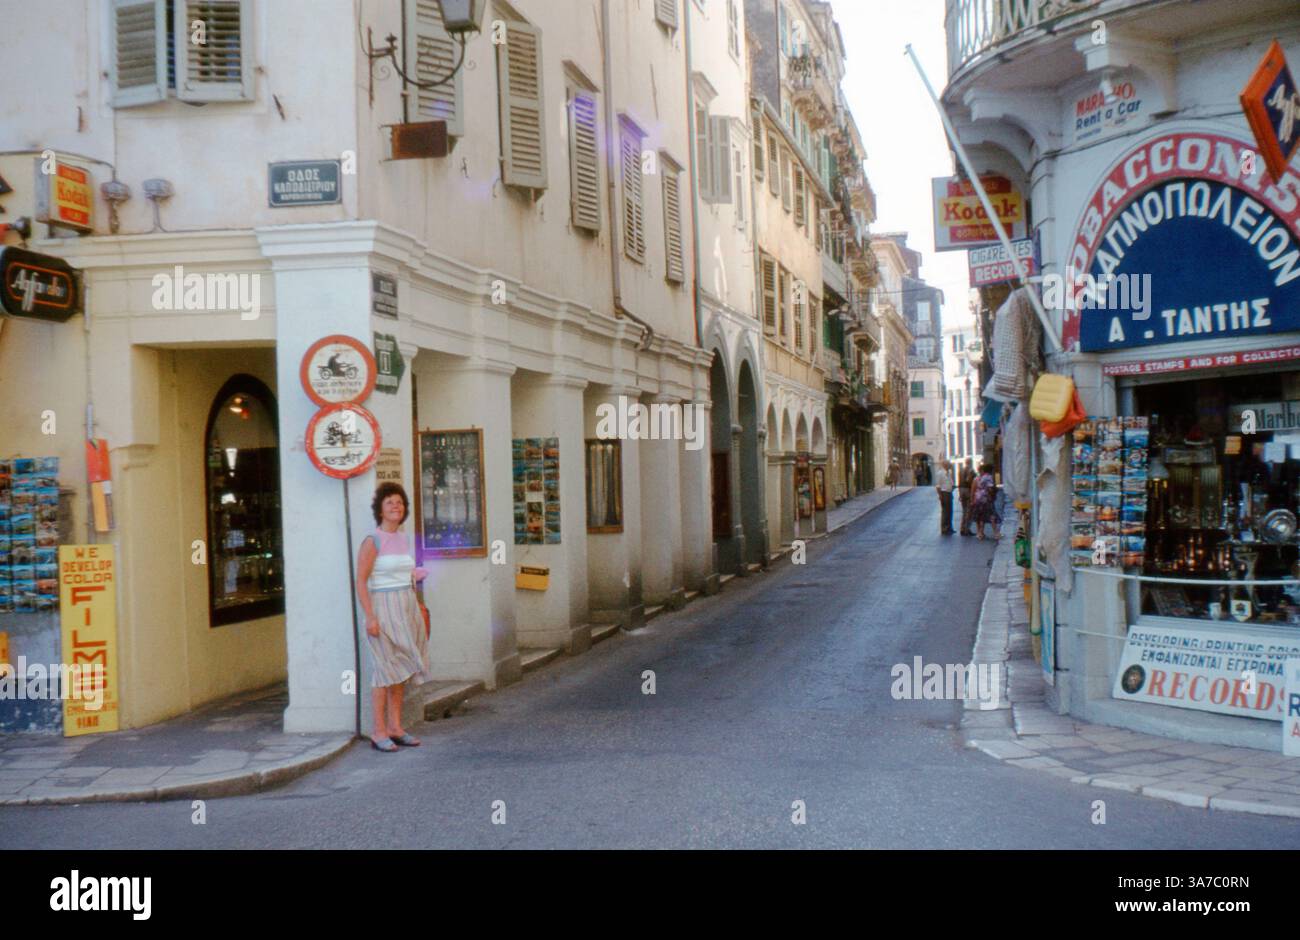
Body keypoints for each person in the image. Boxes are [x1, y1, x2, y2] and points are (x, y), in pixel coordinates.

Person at [356, 482, 433, 752]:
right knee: (383, 669)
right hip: (382, 606)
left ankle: (395, 727)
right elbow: (361, 581)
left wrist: (414, 575)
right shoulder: (372, 540)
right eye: (389, 502)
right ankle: (378, 731)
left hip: (405, 604)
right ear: (380, 508)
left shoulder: (403, 539)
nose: (396, 506)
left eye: (399, 502)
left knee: (399, 668)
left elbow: (399, 571)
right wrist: (370, 617)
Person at [970, 462, 1002, 541]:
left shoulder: (977, 479)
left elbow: (973, 490)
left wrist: (972, 499)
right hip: (986, 499)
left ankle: (980, 533)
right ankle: (996, 533)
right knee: (992, 515)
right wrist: (994, 492)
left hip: (978, 498)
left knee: (981, 516)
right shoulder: (988, 477)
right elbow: (990, 488)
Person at [934, 460, 955, 535]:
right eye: (949, 464)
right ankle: (944, 528)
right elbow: (938, 486)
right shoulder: (940, 473)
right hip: (944, 493)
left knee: (950, 511)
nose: (950, 465)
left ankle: (949, 527)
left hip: (949, 493)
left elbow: (952, 483)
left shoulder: (949, 473)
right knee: (945, 511)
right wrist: (940, 496)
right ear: (945, 465)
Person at [958, 464, 974, 536]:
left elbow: (959, 482)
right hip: (968, 490)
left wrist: (959, 494)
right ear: (970, 462)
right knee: (969, 511)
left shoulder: (960, 470)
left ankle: (962, 528)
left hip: (961, 490)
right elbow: (968, 480)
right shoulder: (971, 470)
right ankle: (966, 529)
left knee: (964, 511)